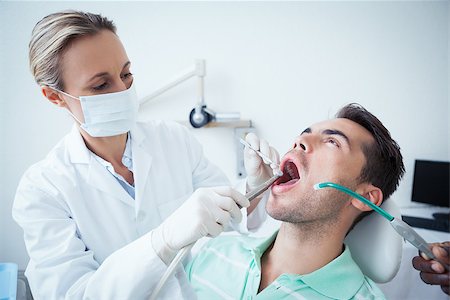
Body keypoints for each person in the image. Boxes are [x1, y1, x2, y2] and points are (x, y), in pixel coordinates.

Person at [12, 10, 279, 299]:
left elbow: (225, 220)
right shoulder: (43, 189)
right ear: (55, 96)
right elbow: (72, 295)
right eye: (101, 85)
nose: (123, 90)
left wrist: (254, 188)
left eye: (126, 74)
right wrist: (161, 242)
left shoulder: (173, 139)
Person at [186, 103, 405, 299]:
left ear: (365, 197)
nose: (300, 141)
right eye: (303, 134)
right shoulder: (213, 251)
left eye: (332, 142)